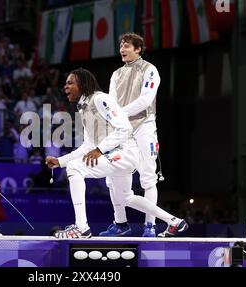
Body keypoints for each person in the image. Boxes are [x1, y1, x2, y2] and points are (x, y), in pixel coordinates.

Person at [45, 68, 187, 238]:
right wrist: (60, 161)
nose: (65, 87)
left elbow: (125, 128)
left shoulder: (100, 99)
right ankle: (175, 222)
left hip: (125, 153)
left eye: (70, 83)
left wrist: (99, 150)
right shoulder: (84, 107)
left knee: (76, 168)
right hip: (114, 156)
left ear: (82, 84)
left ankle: (82, 228)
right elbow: (88, 145)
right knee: (126, 197)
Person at [100, 32, 174, 237]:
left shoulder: (150, 70)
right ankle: (120, 223)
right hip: (121, 129)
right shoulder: (116, 74)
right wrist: (113, 118)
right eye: (121, 45)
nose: (122, 49)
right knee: (112, 177)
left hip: (144, 126)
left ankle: (149, 225)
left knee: (148, 178)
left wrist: (118, 114)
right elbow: (111, 102)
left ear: (138, 49)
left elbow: (145, 100)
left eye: (127, 46)